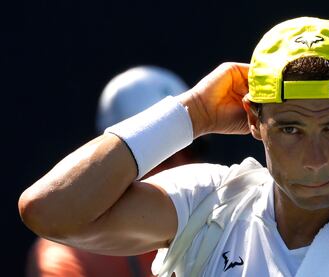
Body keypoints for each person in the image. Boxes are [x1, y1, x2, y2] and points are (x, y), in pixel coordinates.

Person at [19, 17, 329, 276]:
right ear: (254, 120)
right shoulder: (211, 205)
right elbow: (48, 211)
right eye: (291, 129)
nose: (315, 160)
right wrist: (193, 114)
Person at [25, 65, 207, 277]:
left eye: (192, 149)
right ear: (116, 163)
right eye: (165, 154)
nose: (183, 164)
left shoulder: (230, 221)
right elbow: (41, 210)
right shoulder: (66, 254)